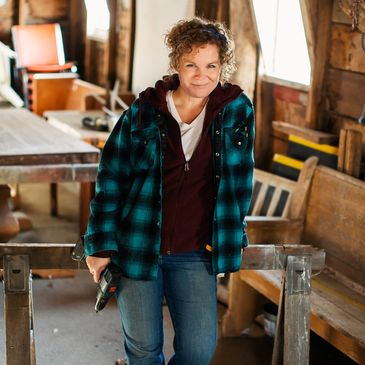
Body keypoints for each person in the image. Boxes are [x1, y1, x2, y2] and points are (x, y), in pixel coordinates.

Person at [84, 17, 255, 365]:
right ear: (177, 64)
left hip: (196, 249)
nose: (202, 75)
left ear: (223, 66)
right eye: (191, 64)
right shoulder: (145, 110)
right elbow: (111, 176)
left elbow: (240, 181)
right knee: (144, 351)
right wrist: (99, 244)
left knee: (197, 351)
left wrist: (229, 240)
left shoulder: (237, 110)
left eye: (211, 65)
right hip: (138, 246)